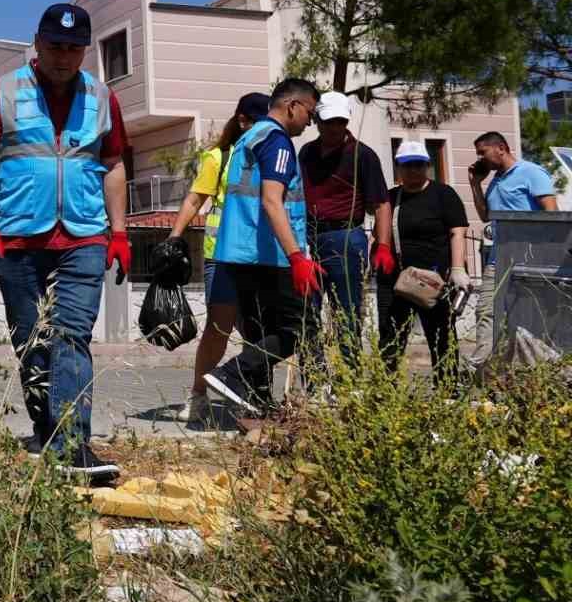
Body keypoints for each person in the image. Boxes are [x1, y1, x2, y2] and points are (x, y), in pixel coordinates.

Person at [0, 3, 131, 483]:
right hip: (18, 233)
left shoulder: (103, 97)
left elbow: (115, 164)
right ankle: (45, 430)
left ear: (84, 52)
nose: (64, 56)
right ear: (37, 44)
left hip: (84, 234)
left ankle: (73, 446)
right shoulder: (4, 91)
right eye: (55, 46)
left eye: (74, 48)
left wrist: (119, 232)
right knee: (31, 342)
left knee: (71, 335)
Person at [201, 79, 326, 416]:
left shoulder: (249, 137)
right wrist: (297, 257)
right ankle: (233, 373)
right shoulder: (278, 142)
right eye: (310, 114)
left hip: (238, 253)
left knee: (261, 331)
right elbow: (273, 201)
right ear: (293, 106)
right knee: (300, 329)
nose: (309, 123)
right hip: (270, 255)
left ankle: (256, 405)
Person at [165, 92, 271, 423]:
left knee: (259, 329)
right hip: (221, 255)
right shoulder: (219, 157)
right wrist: (173, 239)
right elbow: (195, 200)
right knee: (219, 329)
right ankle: (198, 395)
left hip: (261, 257)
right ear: (243, 121)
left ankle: (253, 396)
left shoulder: (270, 155)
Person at [298, 91, 394, 369]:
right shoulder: (307, 153)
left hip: (346, 237)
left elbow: (381, 203)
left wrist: (384, 244)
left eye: (340, 121)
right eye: (329, 122)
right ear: (318, 121)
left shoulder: (363, 155)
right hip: (311, 237)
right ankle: (315, 379)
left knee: (347, 315)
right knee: (308, 313)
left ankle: (347, 380)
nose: (335, 127)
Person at [377, 141, 470, 378]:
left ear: (428, 165)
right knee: (390, 337)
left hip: (434, 281)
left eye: (418, 165)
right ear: (398, 167)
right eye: (407, 165)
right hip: (395, 280)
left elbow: (457, 231)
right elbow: (380, 232)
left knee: (441, 336)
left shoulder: (443, 194)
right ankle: (385, 392)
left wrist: (458, 268)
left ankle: (447, 390)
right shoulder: (390, 197)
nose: (413, 170)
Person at [468, 131, 558, 350]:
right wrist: (475, 184)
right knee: (486, 311)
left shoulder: (531, 172)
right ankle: (483, 371)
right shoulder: (495, 181)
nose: (480, 158)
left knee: (529, 317)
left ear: (501, 148)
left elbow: (552, 213)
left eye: (483, 153)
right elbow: (485, 216)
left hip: (529, 258)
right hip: (498, 258)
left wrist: (543, 254)